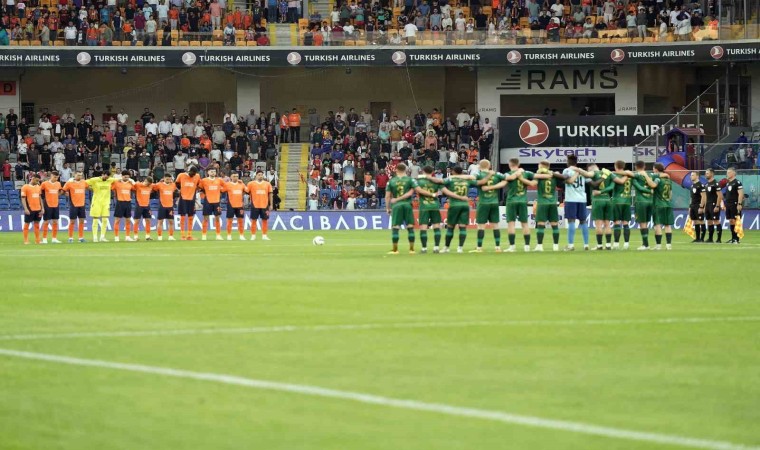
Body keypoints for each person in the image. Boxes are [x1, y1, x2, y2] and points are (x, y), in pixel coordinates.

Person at [530, 160, 565, 251]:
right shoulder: (554, 176)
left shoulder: (539, 176)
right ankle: (556, 246)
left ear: (541, 167)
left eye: (539, 166)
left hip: (542, 202)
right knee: (554, 225)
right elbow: (562, 182)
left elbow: (533, 184)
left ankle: (540, 246)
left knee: (541, 224)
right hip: (553, 202)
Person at [442, 166, 476, 253]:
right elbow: (478, 181)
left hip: (454, 205)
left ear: (453, 172)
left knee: (450, 227)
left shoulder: (450, 179)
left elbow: (440, 183)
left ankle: (446, 247)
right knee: (462, 227)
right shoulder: (467, 180)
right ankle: (460, 248)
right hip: (465, 205)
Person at [385, 163, 418, 254]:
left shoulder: (391, 181)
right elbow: (414, 191)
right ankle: (411, 249)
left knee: (395, 227)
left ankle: (395, 250)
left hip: (396, 205)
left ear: (396, 170)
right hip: (407, 205)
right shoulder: (410, 180)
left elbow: (387, 197)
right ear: (405, 170)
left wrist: (387, 208)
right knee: (410, 227)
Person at [562, 155, 589, 251]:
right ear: (576, 162)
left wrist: (577, 173)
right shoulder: (582, 172)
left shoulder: (567, 171)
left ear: (568, 162)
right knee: (583, 221)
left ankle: (571, 245)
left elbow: (568, 181)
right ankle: (586, 245)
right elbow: (590, 180)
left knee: (571, 221)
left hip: (571, 199)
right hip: (582, 199)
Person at [87, 170, 118, 242]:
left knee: (104, 220)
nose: (106, 178)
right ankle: (95, 237)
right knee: (95, 220)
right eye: (105, 176)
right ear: (102, 174)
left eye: (107, 177)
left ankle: (102, 237)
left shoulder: (110, 180)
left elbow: (120, 180)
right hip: (96, 202)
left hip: (106, 203)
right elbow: (84, 183)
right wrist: (91, 188)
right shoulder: (94, 180)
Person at [631, 161, 655, 250]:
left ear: (635, 167)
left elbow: (639, 188)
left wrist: (648, 191)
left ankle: (645, 245)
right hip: (650, 201)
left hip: (641, 202)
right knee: (646, 223)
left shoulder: (635, 176)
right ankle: (647, 244)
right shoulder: (650, 175)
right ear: (644, 166)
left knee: (643, 223)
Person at [610, 161, 633, 249]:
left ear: (615, 166)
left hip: (617, 201)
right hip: (627, 202)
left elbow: (612, 187)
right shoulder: (630, 176)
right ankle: (626, 244)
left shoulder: (615, 176)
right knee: (626, 223)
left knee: (616, 223)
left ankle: (616, 244)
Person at [246, 169, 273, 240]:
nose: (260, 176)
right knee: (254, 220)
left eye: (261, 175)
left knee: (265, 220)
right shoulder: (251, 184)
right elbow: (246, 191)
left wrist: (271, 205)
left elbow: (270, 194)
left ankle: (264, 235)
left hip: (264, 205)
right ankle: (253, 235)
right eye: (259, 175)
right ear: (256, 176)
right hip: (255, 205)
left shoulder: (267, 184)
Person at [651, 163, 673, 250]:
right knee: (667, 225)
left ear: (656, 169)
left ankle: (658, 245)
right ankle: (668, 245)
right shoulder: (669, 180)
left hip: (658, 204)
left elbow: (653, 186)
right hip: (667, 204)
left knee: (657, 225)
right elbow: (671, 194)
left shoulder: (657, 179)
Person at [175, 167, 201, 240]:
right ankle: (182, 236)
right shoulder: (181, 175)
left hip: (192, 199)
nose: (193, 175)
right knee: (182, 217)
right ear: (189, 171)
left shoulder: (197, 176)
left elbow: (199, 184)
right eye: (192, 173)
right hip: (183, 198)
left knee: (190, 217)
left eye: (194, 174)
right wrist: (181, 190)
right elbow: (176, 183)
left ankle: (189, 235)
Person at [199, 168, 224, 240]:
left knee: (217, 218)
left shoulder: (219, 180)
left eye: (214, 171)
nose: (213, 173)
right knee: (205, 218)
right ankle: (204, 235)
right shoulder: (204, 180)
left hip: (217, 201)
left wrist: (221, 190)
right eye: (211, 171)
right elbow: (200, 188)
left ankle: (218, 235)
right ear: (208, 172)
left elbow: (225, 186)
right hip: (208, 201)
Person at [62, 171, 88, 243]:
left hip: (82, 205)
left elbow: (89, 187)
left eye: (81, 175)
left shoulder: (84, 182)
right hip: (73, 205)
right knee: (72, 221)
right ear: (74, 175)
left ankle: (81, 237)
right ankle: (70, 238)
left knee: (82, 221)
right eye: (78, 175)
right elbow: (63, 191)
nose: (79, 177)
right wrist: (66, 193)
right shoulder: (69, 183)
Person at [112, 171, 136, 242]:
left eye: (128, 177)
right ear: (122, 176)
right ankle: (116, 237)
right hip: (120, 202)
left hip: (128, 202)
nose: (127, 178)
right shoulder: (116, 183)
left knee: (128, 220)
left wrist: (133, 182)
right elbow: (110, 186)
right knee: (117, 220)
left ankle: (127, 236)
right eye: (125, 177)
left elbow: (136, 188)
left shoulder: (130, 184)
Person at [222, 172, 247, 240]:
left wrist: (243, 183)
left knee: (241, 221)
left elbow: (247, 190)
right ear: (231, 177)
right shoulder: (227, 184)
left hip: (240, 205)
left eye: (237, 176)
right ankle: (229, 235)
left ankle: (241, 235)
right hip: (231, 205)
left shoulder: (241, 184)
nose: (235, 177)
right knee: (230, 220)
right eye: (234, 176)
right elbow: (221, 190)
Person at [40, 170, 62, 244]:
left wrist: (58, 195)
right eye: (54, 177)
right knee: (46, 221)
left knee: (55, 221)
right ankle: (44, 238)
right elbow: (40, 192)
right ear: (51, 176)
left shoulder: (58, 184)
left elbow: (60, 191)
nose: (56, 178)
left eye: (57, 177)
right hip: (47, 204)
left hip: (55, 204)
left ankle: (54, 238)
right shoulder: (44, 184)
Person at [21, 173, 44, 245]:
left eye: (38, 181)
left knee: (37, 224)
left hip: (38, 208)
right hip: (30, 208)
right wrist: (25, 209)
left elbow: (40, 198)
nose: (38, 182)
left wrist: (42, 208)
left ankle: (37, 240)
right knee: (27, 224)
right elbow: (23, 198)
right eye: (37, 180)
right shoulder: (25, 187)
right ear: (32, 178)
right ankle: (26, 240)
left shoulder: (38, 186)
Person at [153, 173, 177, 241]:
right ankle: (159, 236)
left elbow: (175, 190)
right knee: (160, 222)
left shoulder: (173, 185)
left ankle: (171, 236)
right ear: (164, 178)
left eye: (169, 179)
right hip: (162, 206)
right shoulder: (159, 185)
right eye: (167, 179)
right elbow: (153, 188)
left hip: (170, 206)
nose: (168, 180)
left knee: (171, 222)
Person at [724, 167, 744, 244]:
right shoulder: (728, 183)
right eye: (727, 172)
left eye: (729, 172)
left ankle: (736, 239)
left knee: (735, 221)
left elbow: (741, 194)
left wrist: (739, 203)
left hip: (735, 204)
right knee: (731, 221)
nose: (727, 174)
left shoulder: (737, 182)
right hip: (728, 204)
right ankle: (733, 238)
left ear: (733, 173)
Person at [703, 168, 723, 243]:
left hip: (714, 204)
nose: (706, 175)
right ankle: (710, 238)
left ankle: (718, 239)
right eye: (705, 173)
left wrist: (717, 206)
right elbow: (706, 196)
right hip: (708, 205)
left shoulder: (716, 183)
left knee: (716, 221)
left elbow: (720, 195)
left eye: (707, 173)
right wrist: (705, 206)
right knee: (709, 221)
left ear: (712, 174)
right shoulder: (707, 184)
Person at [132, 177, 154, 241]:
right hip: (139, 205)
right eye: (148, 183)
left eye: (150, 184)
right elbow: (132, 184)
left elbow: (156, 185)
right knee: (137, 221)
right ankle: (135, 236)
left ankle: (147, 236)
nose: (149, 185)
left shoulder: (150, 186)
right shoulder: (138, 185)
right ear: (145, 180)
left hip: (147, 206)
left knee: (148, 220)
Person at [688, 171, 706, 243]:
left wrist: (701, 207)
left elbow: (704, 196)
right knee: (695, 222)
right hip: (693, 206)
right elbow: (691, 197)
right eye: (691, 175)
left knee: (701, 221)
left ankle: (702, 238)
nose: (691, 176)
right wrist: (690, 207)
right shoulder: (692, 186)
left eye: (692, 175)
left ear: (697, 176)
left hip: (698, 205)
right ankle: (697, 238)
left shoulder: (701, 185)